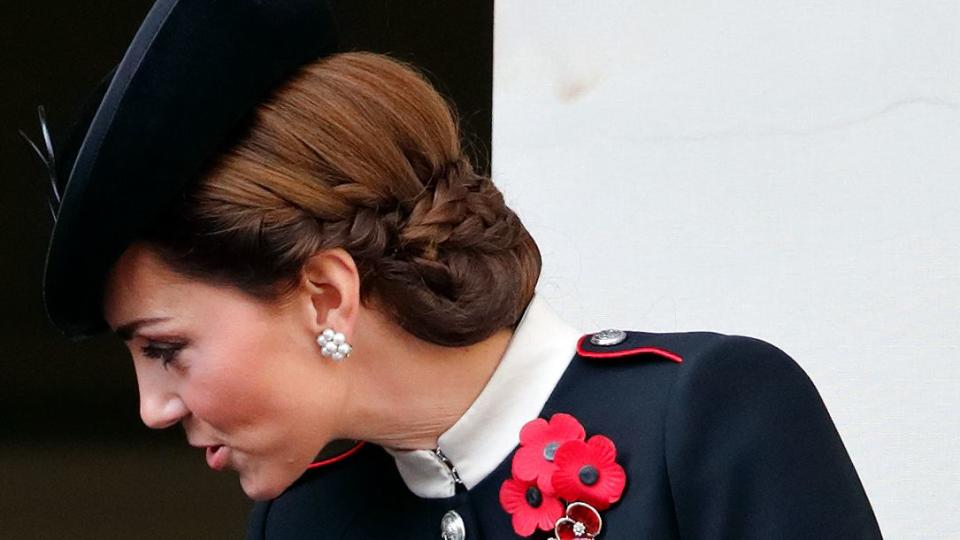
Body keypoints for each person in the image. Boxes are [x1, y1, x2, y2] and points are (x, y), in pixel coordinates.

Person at [25, 1, 883, 538]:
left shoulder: (702, 416)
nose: (151, 408)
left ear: (326, 293)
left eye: (166, 349)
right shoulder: (302, 519)